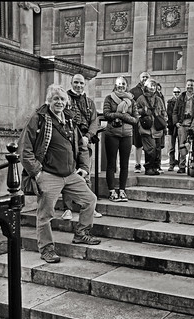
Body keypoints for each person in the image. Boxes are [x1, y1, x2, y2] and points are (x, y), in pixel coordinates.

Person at [19, 84, 101, 263]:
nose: (59, 102)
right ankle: (46, 249)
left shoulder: (70, 121)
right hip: (48, 174)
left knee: (90, 200)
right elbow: (25, 150)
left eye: (62, 99)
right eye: (56, 98)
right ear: (49, 100)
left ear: (67, 102)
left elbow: (82, 147)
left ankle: (81, 233)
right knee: (45, 214)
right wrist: (37, 173)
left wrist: (84, 168)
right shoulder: (38, 118)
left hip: (70, 174)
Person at [61, 74, 102, 220]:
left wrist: (88, 136)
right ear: (71, 83)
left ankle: (89, 207)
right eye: (76, 82)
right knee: (68, 173)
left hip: (84, 141)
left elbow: (94, 121)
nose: (78, 85)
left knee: (86, 173)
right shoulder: (64, 99)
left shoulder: (89, 102)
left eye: (81, 83)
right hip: (68, 141)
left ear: (85, 85)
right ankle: (68, 209)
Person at [103, 76, 138, 202]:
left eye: (123, 84)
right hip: (112, 134)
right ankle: (112, 191)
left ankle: (122, 191)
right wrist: (121, 115)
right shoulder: (109, 98)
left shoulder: (132, 101)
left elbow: (135, 119)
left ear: (126, 85)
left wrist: (122, 117)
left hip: (127, 135)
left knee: (125, 164)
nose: (121, 86)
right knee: (111, 164)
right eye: (119, 84)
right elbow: (106, 114)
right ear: (115, 85)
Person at [172, 78, 194, 173]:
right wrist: (176, 123)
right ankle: (182, 166)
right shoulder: (181, 97)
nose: (189, 87)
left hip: (193, 125)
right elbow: (175, 111)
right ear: (185, 86)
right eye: (188, 85)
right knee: (182, 145)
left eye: (191, 85)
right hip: (182, 124)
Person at [136, 78, 167, 175]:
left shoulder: (158, 99)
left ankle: (155, 167)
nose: (153, 87)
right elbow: (135, 111)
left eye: (154, 85)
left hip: (157, 128)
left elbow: (163, 112)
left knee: (157, 149)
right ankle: (148, 168)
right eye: (151, 85)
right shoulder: (141, 99)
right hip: (146, 128)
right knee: (150, 148)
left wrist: (164, 119)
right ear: (146, 87)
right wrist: (144, 111)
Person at [129, 71, 151, 173]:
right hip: (138, 121)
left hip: (150, 122)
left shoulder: (153, 90)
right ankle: (137, 164)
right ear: (140, 78)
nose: (145, 79)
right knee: (137, 144)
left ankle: (148, 165)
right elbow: (131, 106)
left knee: (148, 144)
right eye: (143, 77)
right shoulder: (133, 91)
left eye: (147, 77)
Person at [166, 87, 181, 171]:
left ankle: (180, 163)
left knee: (180, 146)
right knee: (171, 147)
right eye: (175, 92)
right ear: (172, 93)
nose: (176, 93)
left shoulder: (182, 102)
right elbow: (169, 114)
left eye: (178, 92)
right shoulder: (170, 102)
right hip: (171, 127)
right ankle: (171, 164)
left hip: (179, 126)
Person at [155, 82, 167, 172]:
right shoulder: (151, 99)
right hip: (153, 125)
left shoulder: (160, 98)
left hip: (160, 125)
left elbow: (164, 111)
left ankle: (158, 165)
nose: (158, 91)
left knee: (159, 147)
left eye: (159, 89)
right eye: (156, 89)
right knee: (154, 147)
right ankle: (154, 165)